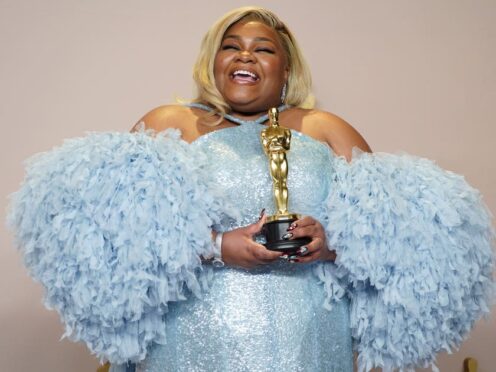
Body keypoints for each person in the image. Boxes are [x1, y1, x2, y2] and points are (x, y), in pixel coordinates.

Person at [7, 6, 494, 372]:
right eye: (231, 45)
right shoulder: (170, 124)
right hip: (190, 341)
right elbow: (109, 237)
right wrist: (219, 246)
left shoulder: (325, 129)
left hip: (311, 338)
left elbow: (404, 239)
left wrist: (333, 243)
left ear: (286, 70)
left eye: (263, 49)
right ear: (213, 62)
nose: (245, 54)